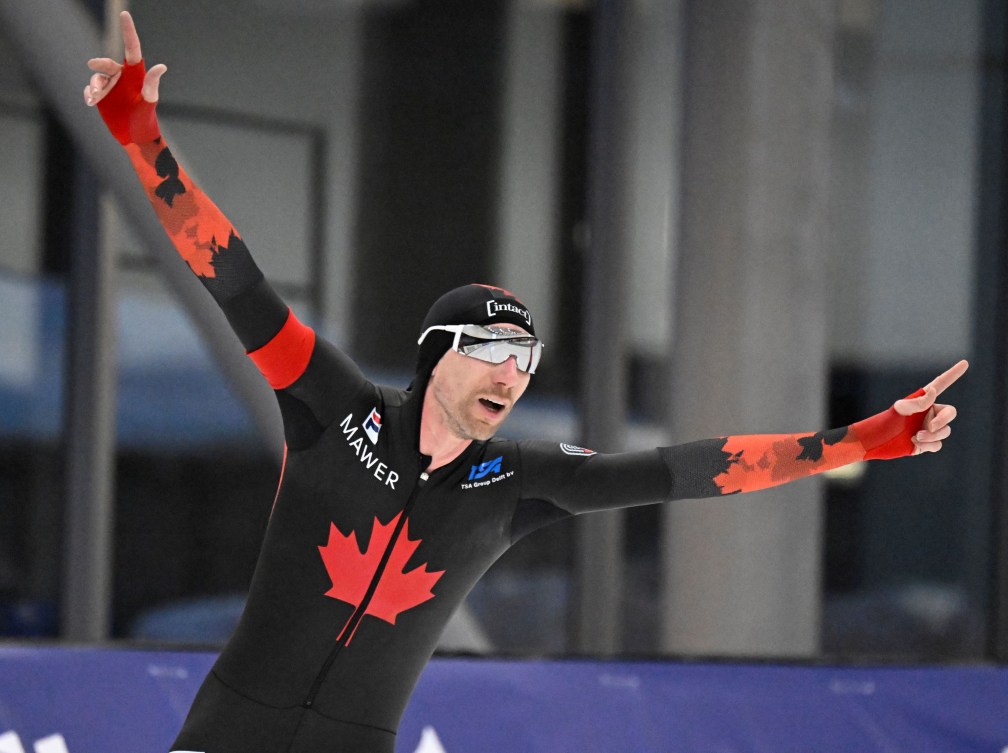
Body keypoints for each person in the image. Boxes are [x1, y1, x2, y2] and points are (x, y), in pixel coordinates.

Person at [84, 12, 966, 753]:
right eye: (494, 351)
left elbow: (686, 468)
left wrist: (862, 440)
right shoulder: (334, 405)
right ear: (437, 353)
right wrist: (143, 138)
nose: (514, 374)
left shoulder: (514, 483)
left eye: (529, 361)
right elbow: (234, 278)